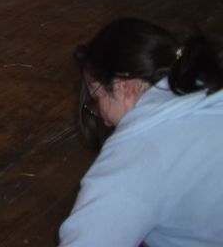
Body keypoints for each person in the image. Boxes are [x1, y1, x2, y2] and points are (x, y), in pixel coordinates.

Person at [59, 18, 223, 246]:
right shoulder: (206, 92)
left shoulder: (137, 157)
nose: (103, 119)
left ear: (124, 86)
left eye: (97, 98)